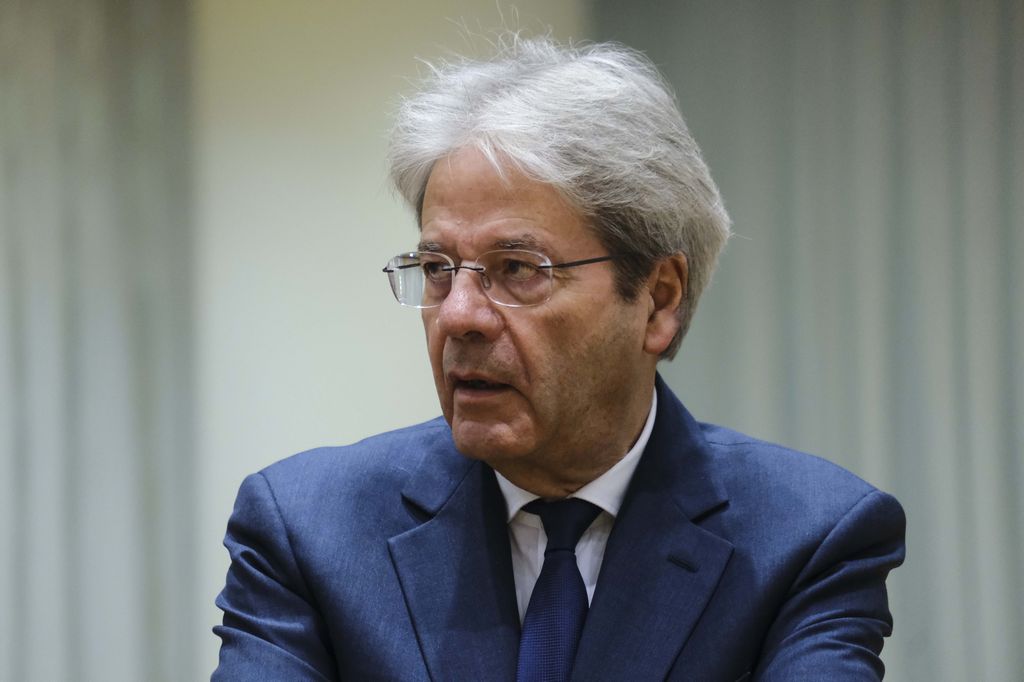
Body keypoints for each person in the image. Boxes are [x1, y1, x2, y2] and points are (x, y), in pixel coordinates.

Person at [213, 35, 905, 681]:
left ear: (658, 300)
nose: (458, 316)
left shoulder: (806, 540)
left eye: (517, 268)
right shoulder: (308, 531)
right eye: (437, 268)